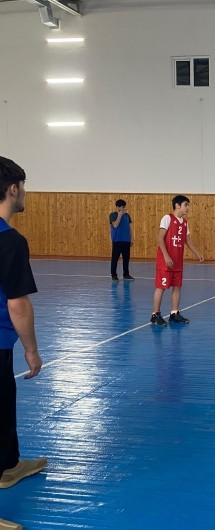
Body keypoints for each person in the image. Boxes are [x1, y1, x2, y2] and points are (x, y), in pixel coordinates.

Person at [0, 156, 47, 529]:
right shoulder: (10, 242)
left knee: (4, 406)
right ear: (13, 189)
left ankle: (9, 464)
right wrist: (32, 350)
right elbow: (18, 304)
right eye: (24, 187)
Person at [150, 195, 204, 326]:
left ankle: (174, 313)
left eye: (188, 205)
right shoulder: (167, 218)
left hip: (178, 261)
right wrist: (166, 256)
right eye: (186, 205)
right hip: (165, 261)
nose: (188, 208)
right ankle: (155, 314)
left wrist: (197, 253)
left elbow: (187, 240)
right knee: (161, 287)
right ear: (177, 205)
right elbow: (160, 238)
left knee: (177, 287)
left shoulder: (184, 222)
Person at [109, 199, 134, 281]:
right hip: (117, 240)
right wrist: (119, 215)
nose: (123, 208)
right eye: (121, 207)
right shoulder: (113, 215)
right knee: (115, 259)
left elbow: (130, 228)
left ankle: (126, 274)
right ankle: (114, 275)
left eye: (124, 207)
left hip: (126, 240)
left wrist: (132, 238)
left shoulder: (127, 216)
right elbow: (115, 225)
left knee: (126, 259)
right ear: (117, 207)